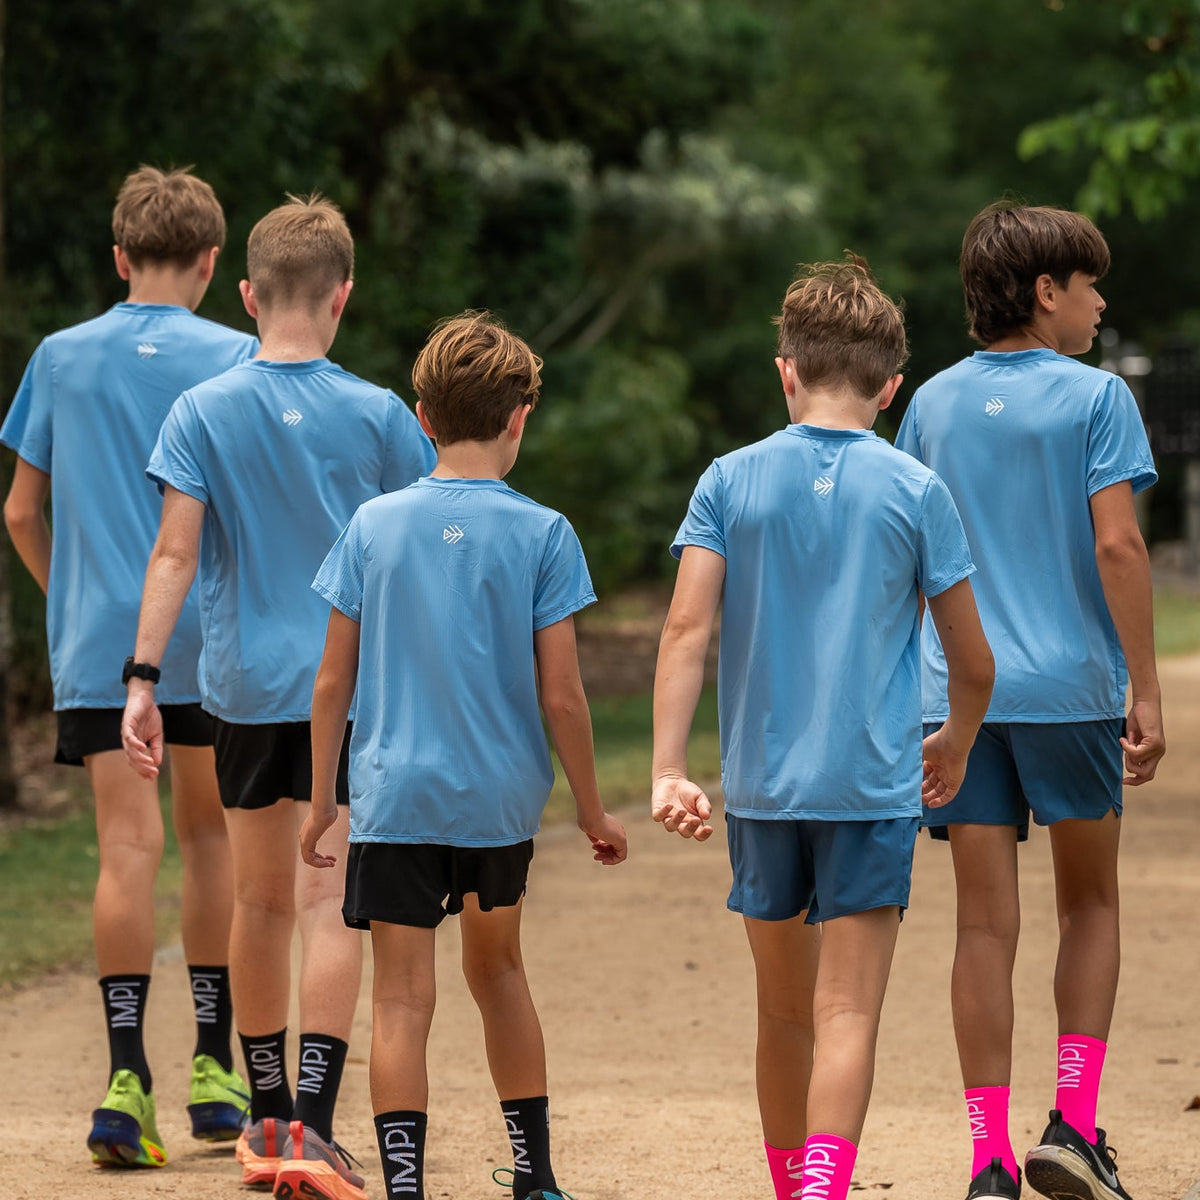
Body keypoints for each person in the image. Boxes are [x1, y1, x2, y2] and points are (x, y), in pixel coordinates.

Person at [651, 257, 994, 1200]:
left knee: (783, 1014)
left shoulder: (728, 480)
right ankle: (822, 1190)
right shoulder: (917, 491)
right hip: (871, 785)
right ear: (893, 388)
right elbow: (973, 662)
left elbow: (685, 628)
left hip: (764, 788)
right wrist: (957, 737)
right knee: (848, 1012)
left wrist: (669, 768)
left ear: (784, 370)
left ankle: (783, 1182)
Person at [121, 194, 435, 1200]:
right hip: (353, 699)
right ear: (343, 295)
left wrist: (138, 677)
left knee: (256, 901)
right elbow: (420, 553)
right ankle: (317, 1125)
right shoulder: (381, 415)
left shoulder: (202, 410)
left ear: (249, 294)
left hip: (244, 692)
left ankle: (262, 1121)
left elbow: (174, 551)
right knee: (325, 905)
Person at [298, 310, 628, 1200]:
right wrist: (591, 811)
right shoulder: (545, 533)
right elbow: (562, 694)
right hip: (496, 803)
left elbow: (332, 683)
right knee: (500, 972)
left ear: (421, 417)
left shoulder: (372, 525)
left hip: (395, 796)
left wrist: (326, 796)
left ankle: (404, 1185)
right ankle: (536, 1177)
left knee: (403, 998)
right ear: (519, 417)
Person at [895, 202, 1165, 1200]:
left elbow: (912, 560)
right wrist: (1147, 684)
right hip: (1070, 694)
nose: (1099, 302)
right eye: (1089, 284)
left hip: (955, 699)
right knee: (1090, 901)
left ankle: (987, 1160)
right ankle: (1076, 1125)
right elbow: (1119, 546)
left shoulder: (928, 406)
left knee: (980, 928)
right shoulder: (1097, 401)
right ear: (1046, 290)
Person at [1, 165, 257, 1168]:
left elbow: (20, 508)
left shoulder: (60, 358)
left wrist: (71, 594)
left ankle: (122, 1081)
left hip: (105, 643)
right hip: (211, 637)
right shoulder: (240, 357)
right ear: (209, 263)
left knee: (125, 850)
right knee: (211, 838)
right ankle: (211, 1063)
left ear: (117, 258)